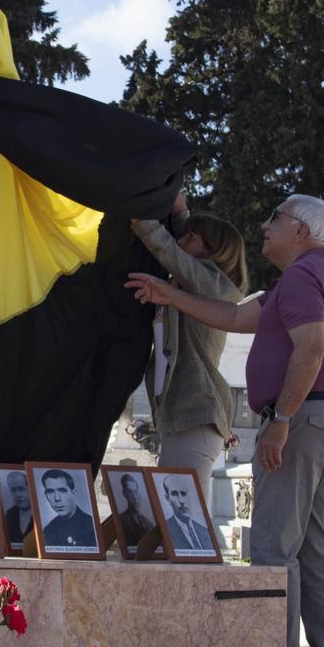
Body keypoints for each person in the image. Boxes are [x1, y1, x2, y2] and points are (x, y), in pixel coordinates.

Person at [128, 193, 324, 647]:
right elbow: (233, 317)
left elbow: (312, 349)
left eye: (274, 218)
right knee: (315, 550)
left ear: (301, 230)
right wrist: (171, 298)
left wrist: (280, 420)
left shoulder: (302, 277)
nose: (264, 224)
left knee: (273, 548)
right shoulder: (318, 274)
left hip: (304, 418)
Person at [132, 192, 248, 492]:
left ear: (214, 250)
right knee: (177, 524)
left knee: (187, 528)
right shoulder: (202, 285)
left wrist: (135, 211)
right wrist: (181, 211)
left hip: (194, 417)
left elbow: (171, 252)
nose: (182, 241)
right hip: (185, 418)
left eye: (191, 238)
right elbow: (185, 256)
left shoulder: (213, 284)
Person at [38, 469, 98, 548]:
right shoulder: (49, 530)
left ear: (74, 492)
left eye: (62, 491)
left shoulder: (91, 527)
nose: (57, 498)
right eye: (50, 492)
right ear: (46, 495)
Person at [159, 475, 216, 554]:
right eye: (174, 494)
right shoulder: (163, 531)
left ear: (189, 496)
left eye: (183, 493)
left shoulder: (204, 531)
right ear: (167, 499)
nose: (181, 501)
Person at [112, 472, 156, 546]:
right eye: (130, 492)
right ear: (124, 494)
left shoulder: (149, 524)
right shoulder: (119, 520)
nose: (134, 497)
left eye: (135, 491)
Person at [1, 469, 33, 546]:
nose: (18, 494)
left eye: (21, 489)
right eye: (13, 490)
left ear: (30, 489)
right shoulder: (10, 514)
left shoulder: (40, 514)